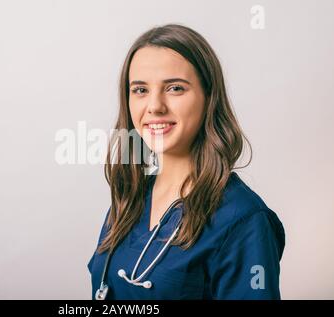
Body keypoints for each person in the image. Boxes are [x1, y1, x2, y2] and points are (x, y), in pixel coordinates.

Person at [87, 24, 285, 300]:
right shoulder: (130, 199)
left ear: (208, 97)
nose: (154, 106)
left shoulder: (244, 221)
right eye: (140, 90)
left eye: (175, 88)